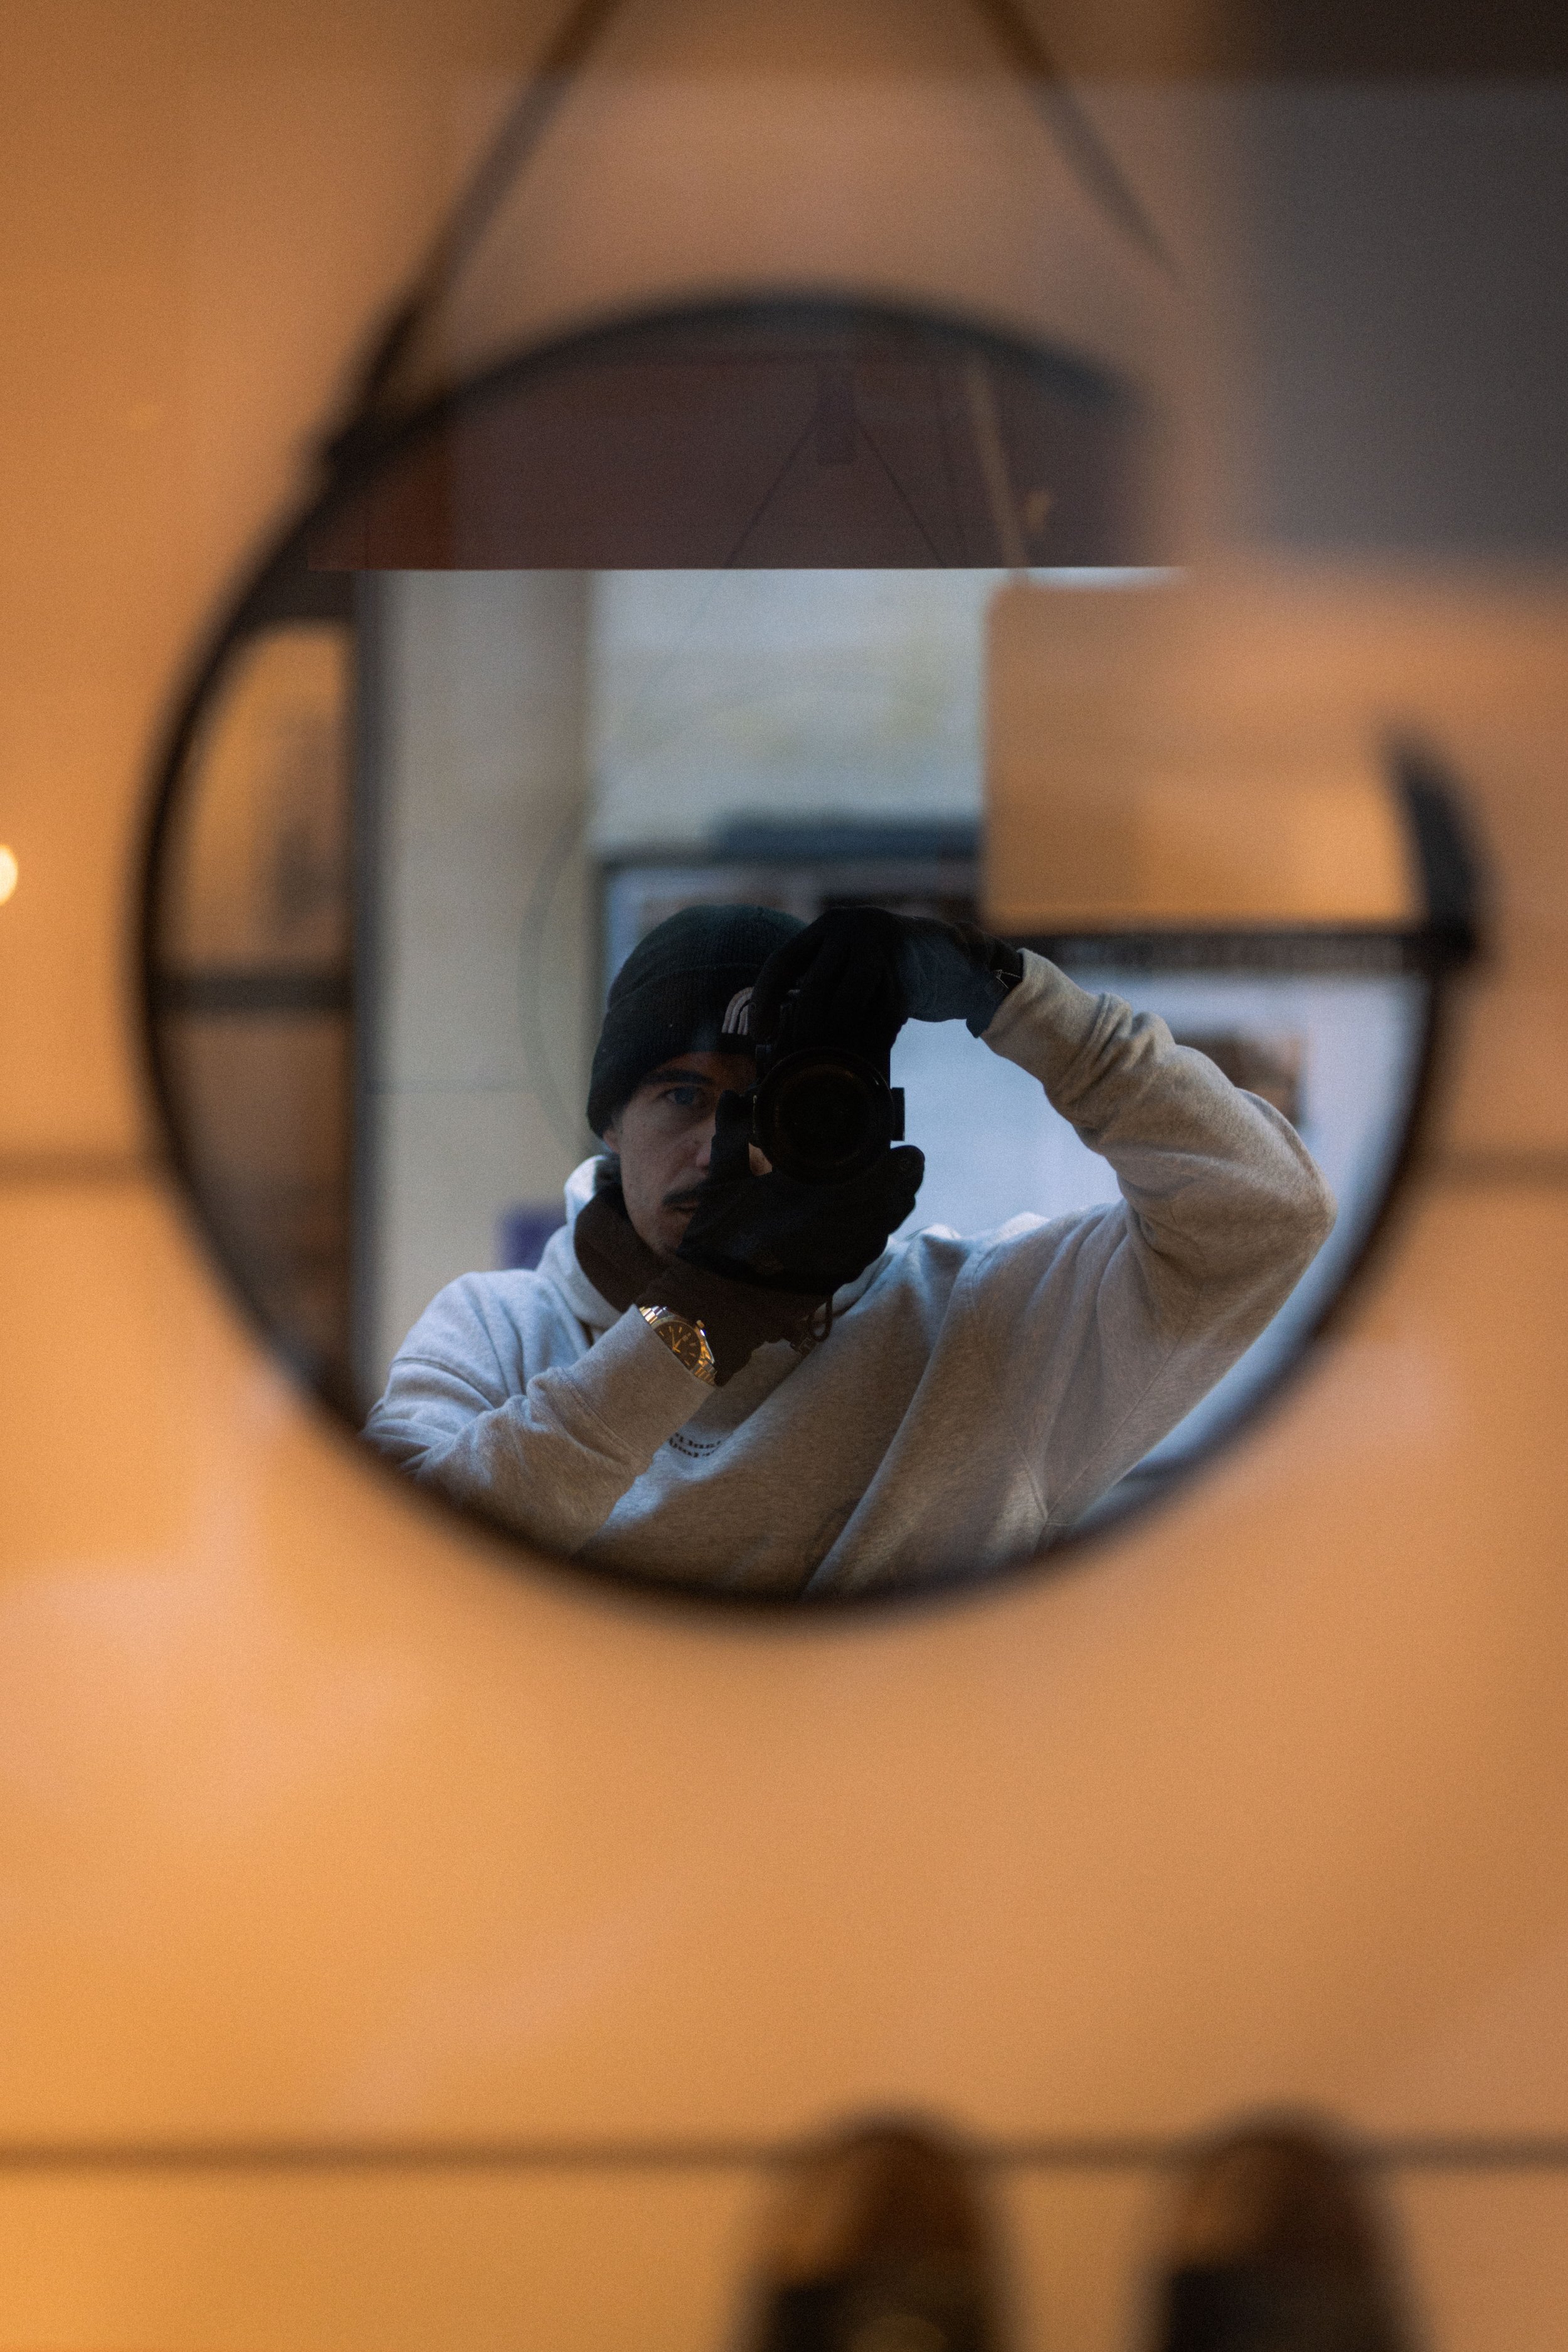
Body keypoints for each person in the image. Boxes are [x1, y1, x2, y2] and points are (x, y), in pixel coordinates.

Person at [364, 902, 1335, 1597]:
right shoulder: (495, 1331)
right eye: (680, 1094)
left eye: (763, 1098)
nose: (718, 1140)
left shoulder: (983, 1322)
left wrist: (1019, 1001)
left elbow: (1267, 1213)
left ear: (851, 1119)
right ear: (608, 1124)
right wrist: (702, 1321)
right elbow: (380, 1574)